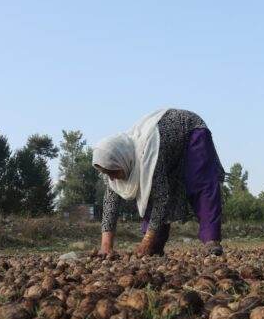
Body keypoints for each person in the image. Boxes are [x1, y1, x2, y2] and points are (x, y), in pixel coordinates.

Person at [92, 108, 225, 256]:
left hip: (190, 130)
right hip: (168, 151)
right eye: (107, 173)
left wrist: (147, 240)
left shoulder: (147, 156)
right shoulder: (114, 163)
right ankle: (156, 244)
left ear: (123, 160)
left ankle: (211, 240)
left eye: (113, 172)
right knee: (149, 195)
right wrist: (106, 247)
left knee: (200, 183)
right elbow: (110, 205)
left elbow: (161, 200)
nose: (111, 178)